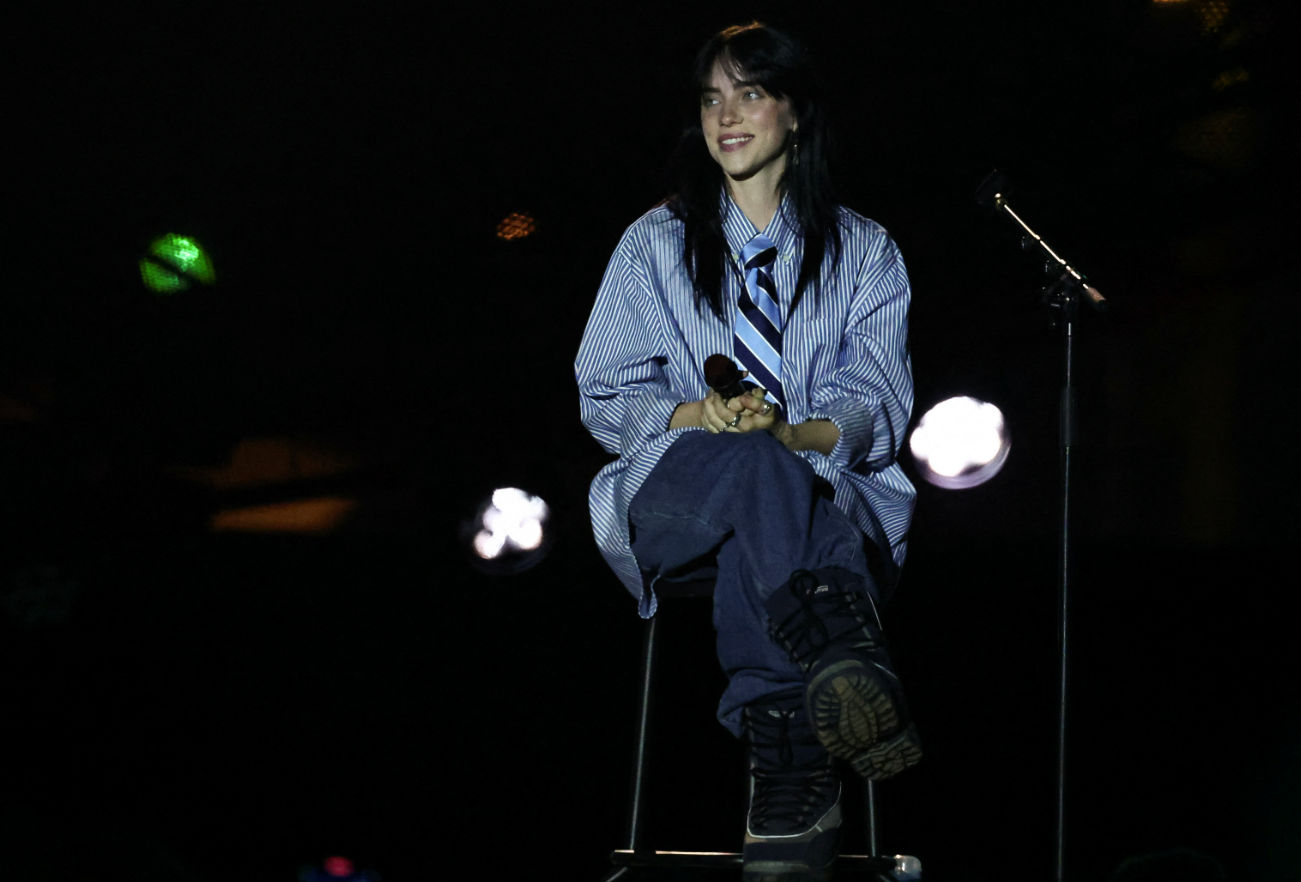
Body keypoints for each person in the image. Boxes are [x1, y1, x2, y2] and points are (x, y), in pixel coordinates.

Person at [575, 21, 919, 882]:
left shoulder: (866, 252)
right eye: (710, 98)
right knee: (762, 483)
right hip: (673, 494)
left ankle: (790, 784)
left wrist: (785, 433)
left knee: (770, 499)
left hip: (808, 498)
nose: (725, 116)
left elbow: (874, 402)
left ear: (795, 114)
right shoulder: (652, 243)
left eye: (750, 93)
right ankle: (838, 655)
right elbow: (604, 394)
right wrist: (701, 414)